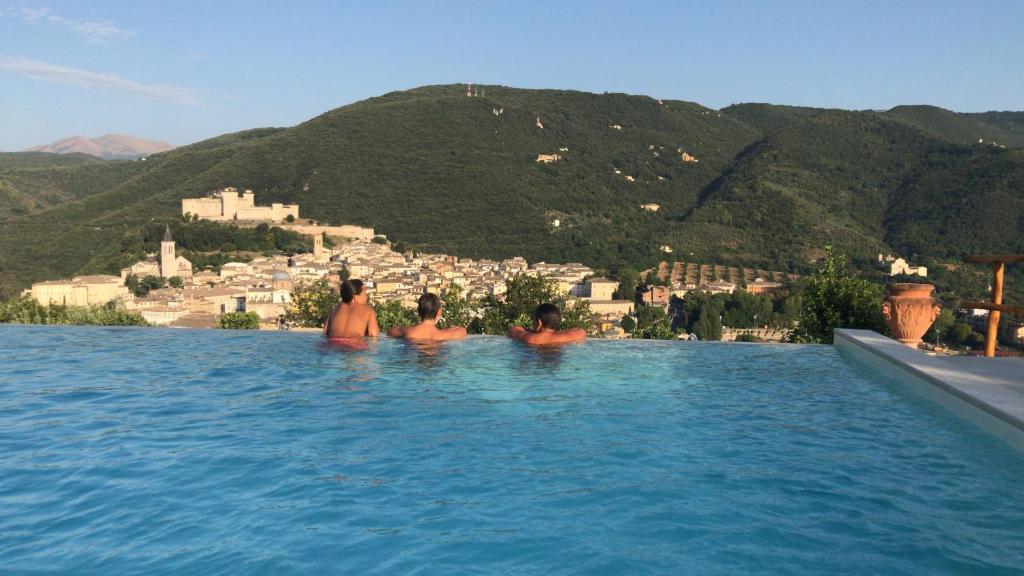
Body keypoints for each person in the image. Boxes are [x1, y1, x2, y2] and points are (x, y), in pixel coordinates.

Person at [387, 293, 467, 341]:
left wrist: (404, 330)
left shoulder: (407, 332)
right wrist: (446, 331)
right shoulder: (444, 335)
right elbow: (463, 331)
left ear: (418, 311)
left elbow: (390, 331)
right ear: (439, 312)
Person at [508, 303, 586, 345]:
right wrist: (559, 333)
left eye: (533, 320)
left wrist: (533, 331)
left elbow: (514, 330)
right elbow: (581, 331)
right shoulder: (566, 337)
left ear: (539, 322)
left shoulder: (530, 338)